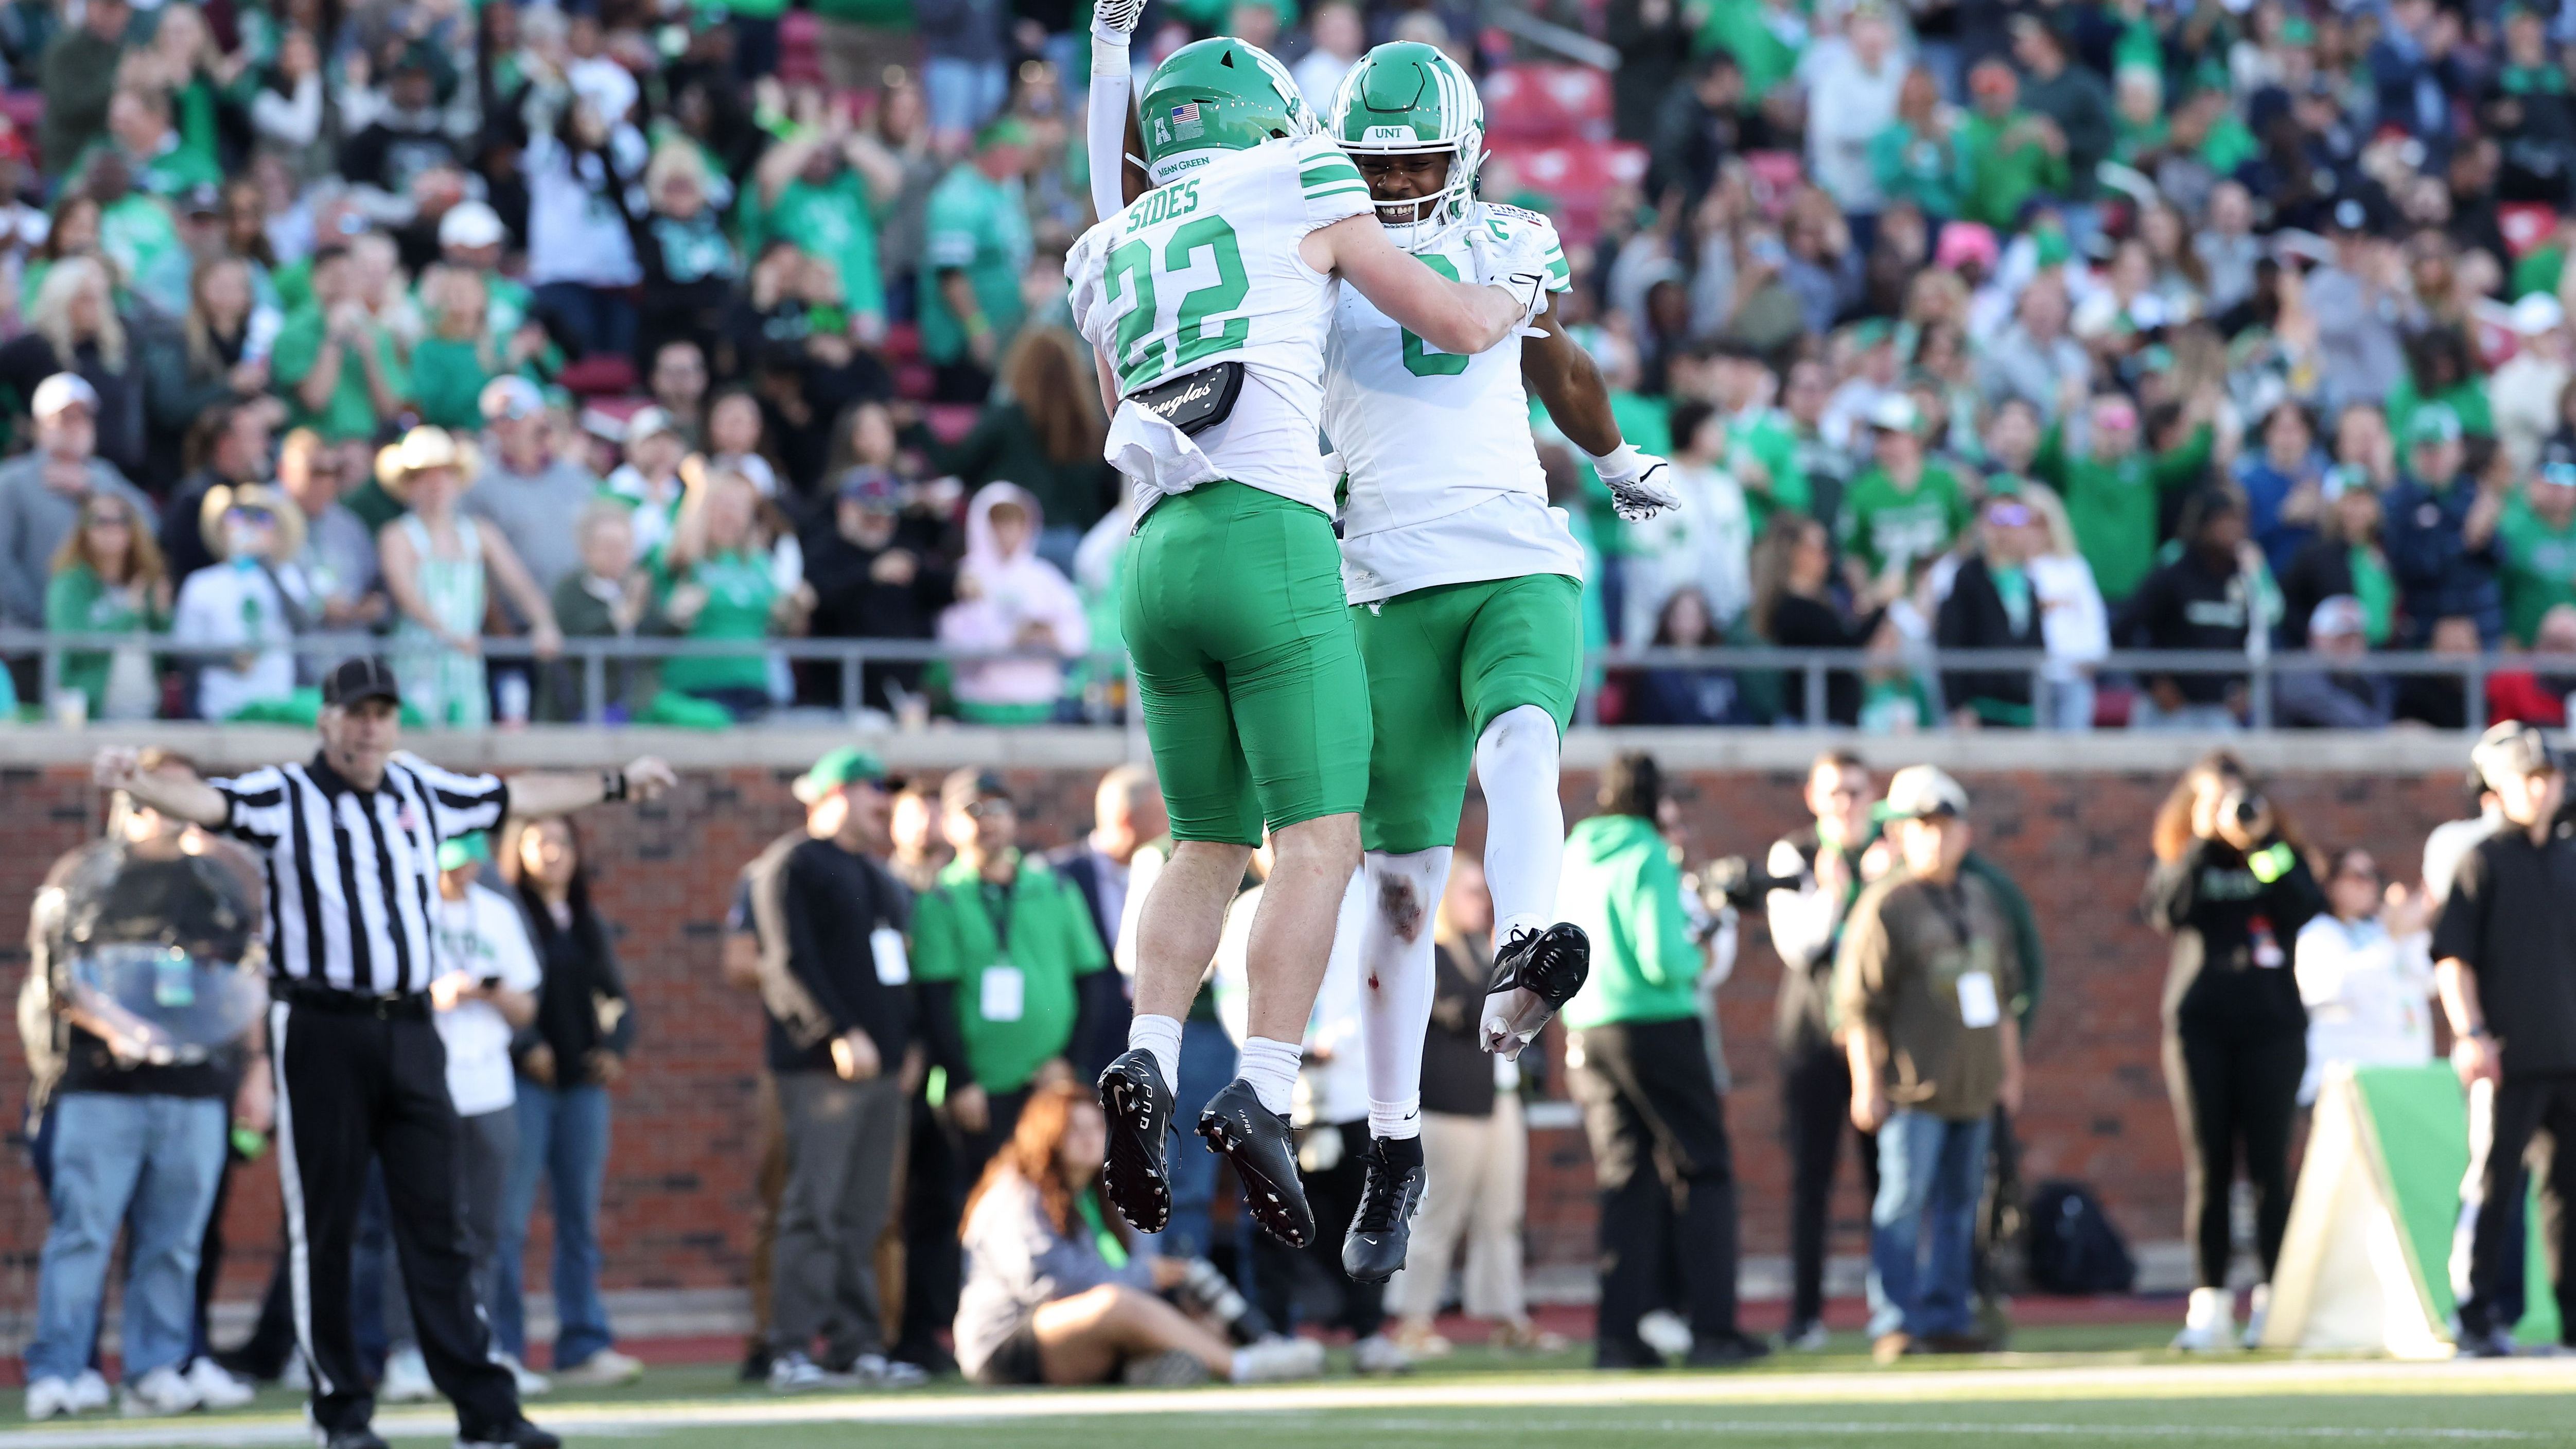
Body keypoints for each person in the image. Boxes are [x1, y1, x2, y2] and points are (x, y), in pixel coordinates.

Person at [1071, 32, 1531, 1252]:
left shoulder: (1103, 247)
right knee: (1319, 840)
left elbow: (1125, 312)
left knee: (1201, 840)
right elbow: (1444, 316)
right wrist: (1516, 293)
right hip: (1270, 535)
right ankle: (1265, 1085)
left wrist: (1107, 58)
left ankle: (1149, 1049)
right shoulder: (1299, 175)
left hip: (1152, 559)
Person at [1295, 38, 1680, 1283]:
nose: (1399, 185)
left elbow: (1555, 361)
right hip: (1382, 577)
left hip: (1512, 545)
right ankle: (1394, 1146)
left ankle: (1530, 937)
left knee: (1526, 742)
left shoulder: (1507, 235)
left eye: (1417, 161)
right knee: (1398, 884)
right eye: (1380, 164)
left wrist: (1618, 464)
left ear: (1461, 158)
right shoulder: (1309, 250)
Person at [91, 656, 675, 1449]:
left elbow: (520, 795)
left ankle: (486, 1410)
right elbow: (208, 801)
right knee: (326, 1224)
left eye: (382, 713)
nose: (369, 727)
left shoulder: (419, 786)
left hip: (410, 1026)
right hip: (323, 1026)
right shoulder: (284, 793)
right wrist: (140, 783)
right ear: (327, 720)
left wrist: (615, 783)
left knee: (440, 1220)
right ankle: (340, 1411)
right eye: (355, 712)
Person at [22, 757, 262, 1420]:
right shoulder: (88, 875)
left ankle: (156, 1367)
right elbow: (61, 978)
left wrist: (256, 1069)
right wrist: (122, 1029)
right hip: (101, 1087)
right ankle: (59, 1367)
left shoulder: (215, 883)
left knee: (175, 1240)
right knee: (84, 1233)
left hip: (192, 1092)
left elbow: (244, 981)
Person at [1558, 752, 1766, 1368]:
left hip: (1589, 1026)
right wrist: (1694, 952)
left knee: (1626, 1178)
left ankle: (1617, 1336)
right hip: (1656, 1022)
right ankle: (1713, 1329)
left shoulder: (1576, 849)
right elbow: (1661, 958)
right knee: (1705, 1169)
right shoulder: (1648, 849)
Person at [1836, 765, 2026, 1364]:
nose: (1935, 839)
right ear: (1902, 836)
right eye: (1923, 828)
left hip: (1972, 1087)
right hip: (1911, 1089)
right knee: (1901, 1204)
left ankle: (1947, 1316)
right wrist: (1865, 1083)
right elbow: (1858, 1006)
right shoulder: (1885, 906)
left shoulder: (1981, 899)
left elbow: (2005, 999)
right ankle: (1895, 1319)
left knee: (1959, 1207)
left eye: (1945, 827)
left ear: (1965, 834)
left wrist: (2010, 1072)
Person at [953, 1081, 1324, 1387]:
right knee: (1117, 1304)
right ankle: (1242, 1366)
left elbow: (1121, 1274)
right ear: (1044, 1134)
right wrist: (1146, 1276)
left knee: (1194, 1323)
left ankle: (1154, 1367)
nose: (1090, 1138)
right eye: (1074, 1130)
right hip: (1004, 1346)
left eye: (1096, 1127)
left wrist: (1170, 1301)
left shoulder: (1098, 1192)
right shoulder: (1017, 1193)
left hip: (1079, 1332)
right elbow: (1047, 1284)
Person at [754, 747, 925, 1391]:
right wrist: (836, 1033)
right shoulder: (791, 864)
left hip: (883, 1072)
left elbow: (895, 972)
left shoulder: (878, 875)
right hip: (821, 1071)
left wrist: (909, 1043)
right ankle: (790, 1349)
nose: (883, 800)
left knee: (865, 1214)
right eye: (868, 788)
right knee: (813, 1208)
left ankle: (857, 1346)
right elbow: (784, 966)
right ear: (829, 796)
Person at [2145, 752, 2325, 1352]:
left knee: (2271, 1168)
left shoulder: (2272, 855)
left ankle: (2275, 1303)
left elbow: (2304, 903)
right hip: (2201, 1032)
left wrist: (2261, 840)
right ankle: (2210, 1306)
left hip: (2271, 1028)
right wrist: (2203, 840)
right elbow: (2166, 909)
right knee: (2211, 1168)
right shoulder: (2188, 859)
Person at [371, 832, 543, 1402]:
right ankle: (408, 1349)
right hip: (423, 1079)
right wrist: (437, 994)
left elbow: (525, 1002)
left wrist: (489, 994)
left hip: (489, 1080)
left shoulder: (495, 912)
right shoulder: (403, 909)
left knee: (487, 1224)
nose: (459, 875)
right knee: (419, 1219)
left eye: (467, 864)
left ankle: (479, 1342)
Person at [2433, 722, 2576, 1358]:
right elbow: (2452, 958)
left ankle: (2571, 1316)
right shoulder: (2481, 861)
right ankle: (2476, 1312)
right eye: (2529, 779)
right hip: (2509, 1056)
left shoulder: (2570, 859)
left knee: (2567, 1194)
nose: (2541, 791)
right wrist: (2470, 1031)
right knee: (2494, 1185)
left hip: (2568, 1055)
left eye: (2549, 778)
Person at [1387, 858, 1562, 1357]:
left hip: (1499, 1099)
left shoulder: (1483, 950)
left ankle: (1507, 1315)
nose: (1480, 902)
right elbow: (1464, 1014)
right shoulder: (1429, 954)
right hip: (1450, 1103)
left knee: (1501, 1215)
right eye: (1468, 892)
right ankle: (1412, 1319)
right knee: (1438, 1213)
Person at [492, 816, 644, 1389]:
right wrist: (527, 1047)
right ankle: (505, 1343)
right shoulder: (509, 916)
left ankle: (582, 1340)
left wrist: (614, 1047)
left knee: (579, 1217)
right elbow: (498, 991)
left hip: (581, 1087)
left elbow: (617, 999)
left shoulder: (586, 921)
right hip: (526, 1086)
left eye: (562, 842)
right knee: (508, 1220)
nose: (553, 853)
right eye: (540, 841)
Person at [912, 770, 1114, 1177]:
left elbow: (1091, 981)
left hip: (1049, 1082)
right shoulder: (940, 899)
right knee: (980, 1197)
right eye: (974, 809)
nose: (988, 818)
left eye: (1000, 808)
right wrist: (960, 1079)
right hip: (980, 1091)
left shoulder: (1054, 887)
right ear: (948, 824)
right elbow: (934, 999)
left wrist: (1068, 1062)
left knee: (1054, 1192)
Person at [1764, 748, 1881, 1350]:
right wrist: (1832, 894)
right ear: (1814, 797)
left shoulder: (1890, 851)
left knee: (1888, 1177)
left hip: (1879, 1037)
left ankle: (1892, 1307)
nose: (1845, 803)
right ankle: (1805, 1315)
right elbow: (1797, 946)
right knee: (1811, 1178)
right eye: (1833, 792)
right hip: (1811, 1033)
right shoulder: (1793, 853)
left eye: (1856, 791)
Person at [376, 426, 564, 728]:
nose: (436, 484)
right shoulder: (398, 535)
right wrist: (446, 633)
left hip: (466, 665)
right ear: (410, 484)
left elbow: (519, 583)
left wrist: (544, 623)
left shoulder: (479, 533)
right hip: (418, 667)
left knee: (471, 749)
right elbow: (407, 595)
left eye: (444, 473)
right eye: (424, 475)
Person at [0, 374, 150, 652]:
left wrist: (90, 489)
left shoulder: (103, 476)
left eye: (82, 417)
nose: (75, 426)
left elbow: (149, 526)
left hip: (97, 642)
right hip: (29, 644)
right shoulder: (13, 481)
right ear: (39, 426)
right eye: (65, 417)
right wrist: (47, 620)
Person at [1048, 766, 1167, 1079]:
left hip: (1141, 1053)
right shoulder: (1057, 877)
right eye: (1160, 816)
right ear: (1127, 820)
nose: (1169, 827)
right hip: (1077, 1054)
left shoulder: (1163, 872)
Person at [937, 481, 1089, 724]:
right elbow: (954, 641)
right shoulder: (965, 576)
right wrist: (1012, 639)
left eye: (1015, 523)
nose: (1007, 533)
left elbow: (1078, 635)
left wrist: (1051, 636)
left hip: (1040, 708)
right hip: (979, 708)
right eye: (999, 524)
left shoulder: (1045, 576)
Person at [2294, 848, 2437, 1106]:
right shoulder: (2318, 934)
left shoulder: (2382, 928)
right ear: (2331, 885)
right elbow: (2338, 987)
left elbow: (2427, 981)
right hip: (2346, 1083)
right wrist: (2392, 938)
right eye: (2357, 876)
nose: (2369, 885)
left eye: (2373, 876)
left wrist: (2413, 931)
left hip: (2405, 1077)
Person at [169, 483, 308, 722]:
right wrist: (227, 659)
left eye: (262, 518)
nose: (249, 525)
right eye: (238, 517)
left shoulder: (287, 576)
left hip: (278, 707)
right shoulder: (201, 583)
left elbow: (303, 626)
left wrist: (270, 571)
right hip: (220, 708)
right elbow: (184, 653)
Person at [44, 490, 167, 723]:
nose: (112, 527)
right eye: (100, 521)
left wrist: (163, 616)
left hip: (147, 715)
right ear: (84, 530)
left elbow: (166, 654)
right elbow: (74, 644)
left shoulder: (143, 581)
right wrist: (129, 615)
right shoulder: (69, 584)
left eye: (122, 520)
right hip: (92, 718)